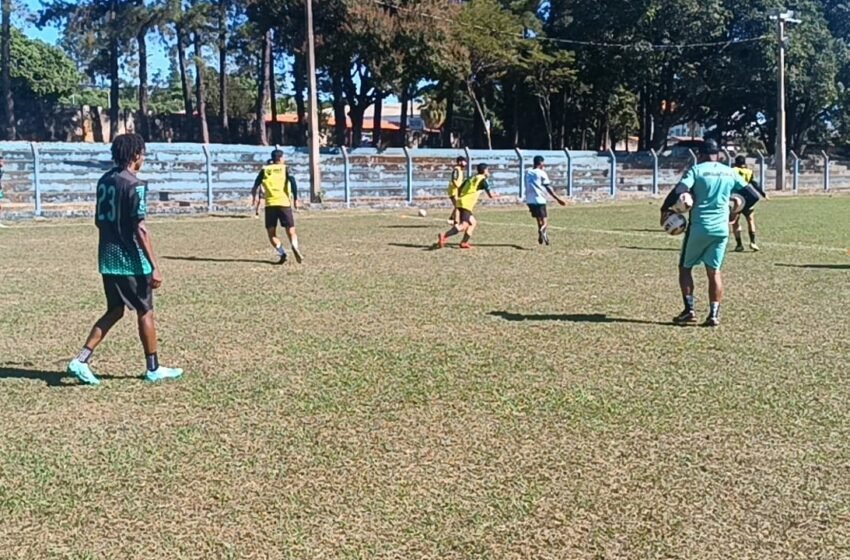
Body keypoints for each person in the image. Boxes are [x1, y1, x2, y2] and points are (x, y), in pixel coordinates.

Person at [67, 134, 183, 385]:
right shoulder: (135, 185)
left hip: (108, 256)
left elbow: (98, 220)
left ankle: (81, 359)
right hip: (131, 259)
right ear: (135, 155)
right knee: (145, 311)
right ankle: (153, 368)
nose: (144, 157)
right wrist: (154, 266)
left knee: (116, 310)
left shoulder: (104, 180)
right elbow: (140, 228)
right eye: (143, 152)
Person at [660, 139, 749, 327]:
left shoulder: (697, 170)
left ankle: (689, 311)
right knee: (714, 271)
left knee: (685, 268)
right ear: (718, 155)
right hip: (721, 230)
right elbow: (752, 194)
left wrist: (665, 209)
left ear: (700, 155)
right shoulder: (729, 172)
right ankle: (714, 315)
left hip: (699, 228)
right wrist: (736, 209)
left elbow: (680, 189)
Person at [251, 149, 303, 264]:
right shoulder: (285, 168)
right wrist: (295, 199)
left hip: (270, 205)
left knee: (271, 233)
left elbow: (255, 185)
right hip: (284, 203)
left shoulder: (265, 169)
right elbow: (293, 182)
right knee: (291, 230)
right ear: (280, 158)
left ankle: (282, 252)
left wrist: (254, 198)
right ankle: (294, 246)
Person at [437, 163, 496, 250]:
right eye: (487, 170)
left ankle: (464, 242)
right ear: (484, 171)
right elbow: (490, 195)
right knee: (464, 225)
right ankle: (444, 235)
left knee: (473, 223)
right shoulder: (483, 179)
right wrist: (496, 195)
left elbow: (460, 188)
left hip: (461, 201)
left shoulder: (471, 177)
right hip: (466, 204)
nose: (488, 172)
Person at [525, 155, 567, 245]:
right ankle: (542, 230)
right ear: (541, 163)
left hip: (529, 199)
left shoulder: (528, 171)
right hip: (539, 199)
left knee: (538, 219)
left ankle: (542, 235)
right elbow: (548, 187)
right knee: (545, 220)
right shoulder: (541, 173)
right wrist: (558, 199)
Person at [731, 155, 767, 252]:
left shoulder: (732, 171)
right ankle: (753, 242)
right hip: (748, 200)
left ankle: (739, 245)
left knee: (735, 223)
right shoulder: (749, 171)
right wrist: (763, 193)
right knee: (750, 220)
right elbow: (755, 184)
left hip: (737, 200)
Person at [447, 156, 467, 225]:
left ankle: (452, 219)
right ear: (459, 162)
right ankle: (456, 221)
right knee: (458, 206)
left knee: (458, 205)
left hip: (457, 191)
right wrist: (458, 187)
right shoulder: (456, 169)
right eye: (464, 161)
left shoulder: (461, 170)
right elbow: (454, 180)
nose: (465, 163)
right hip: (453, 191)